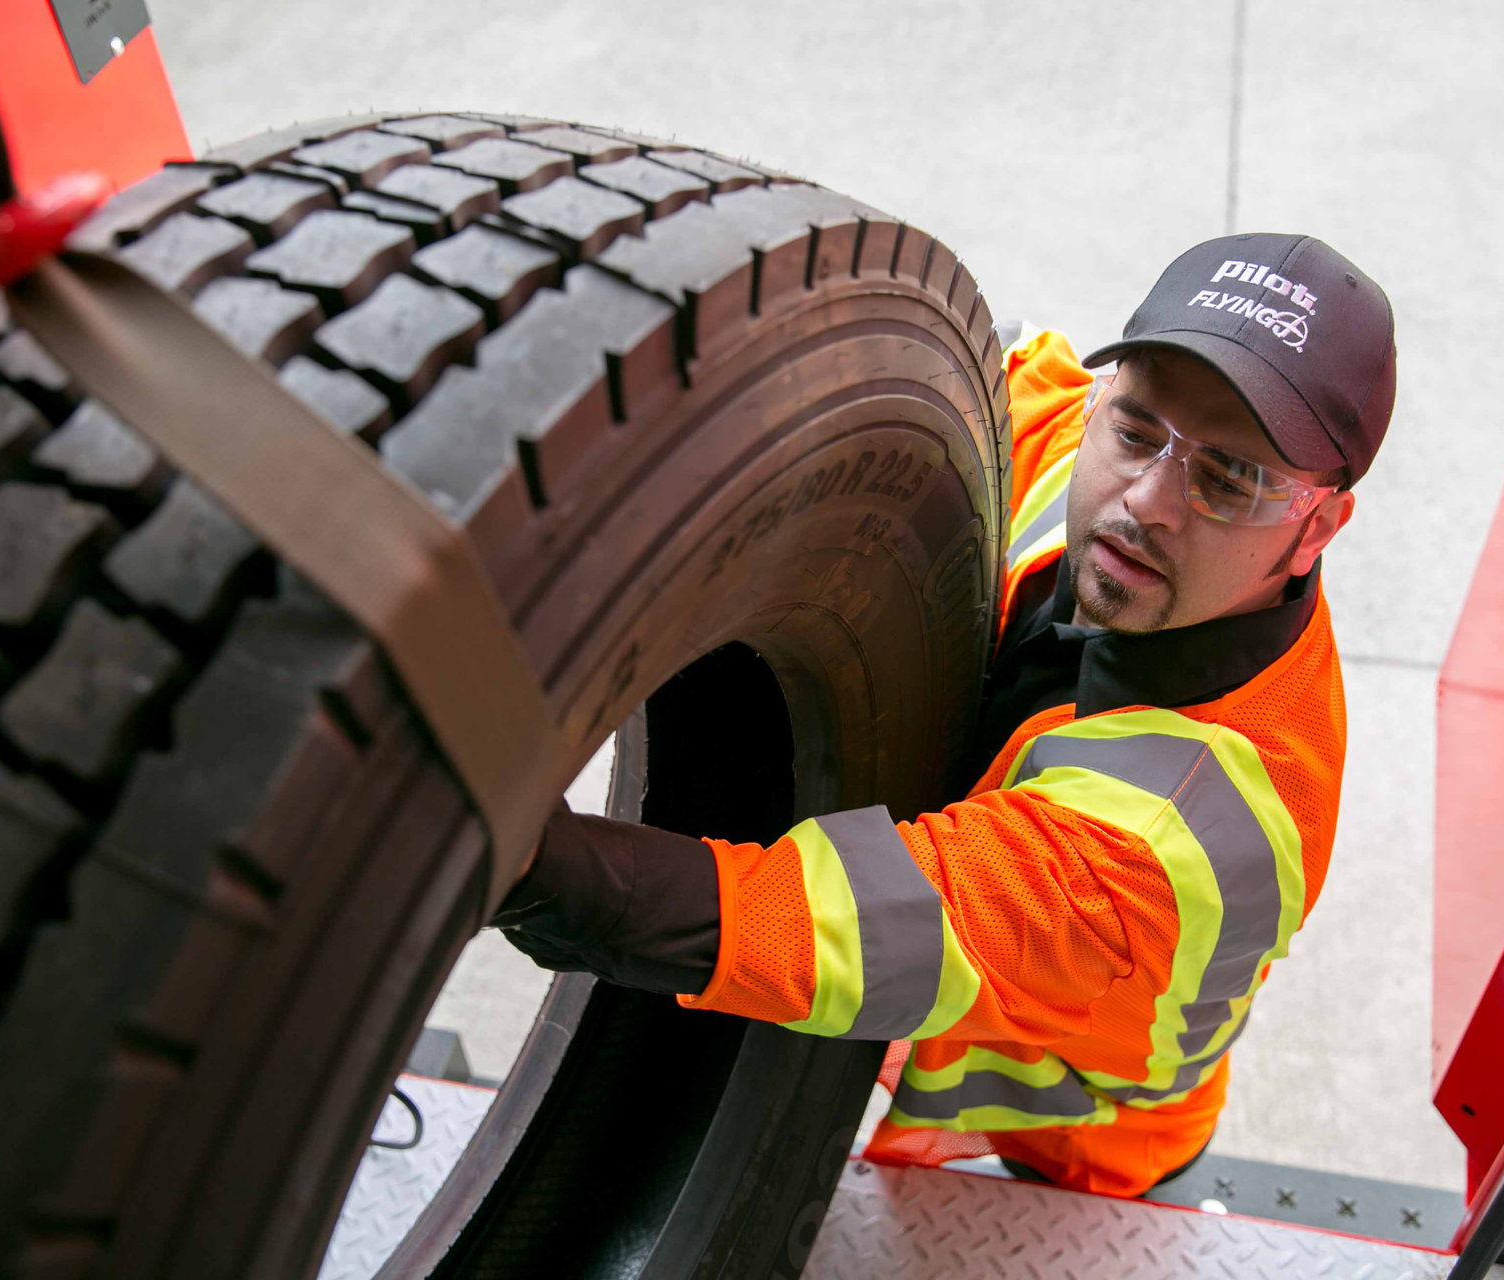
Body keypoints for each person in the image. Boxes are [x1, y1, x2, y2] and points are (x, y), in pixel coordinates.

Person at [492, 231, 1397, 1197]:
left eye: (1229, 481)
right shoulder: (1058, 432)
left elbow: (849, 925)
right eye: (1136, 432)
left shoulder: (1187, 835)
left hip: (1081, 1140)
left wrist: (520, 866)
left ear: (1316, 526)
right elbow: (923, 356)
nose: (1146, 501)